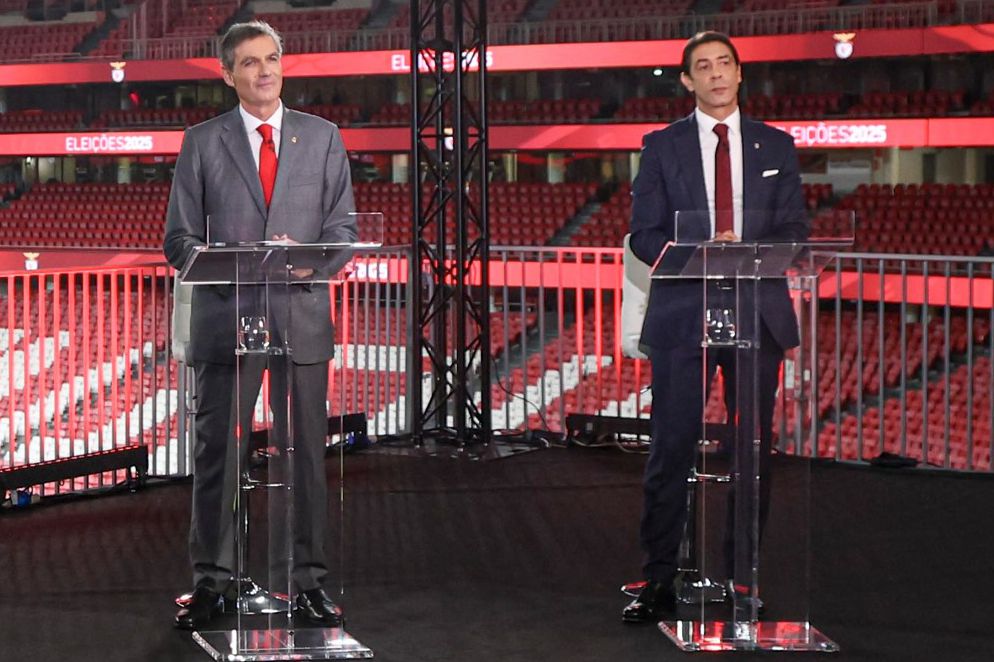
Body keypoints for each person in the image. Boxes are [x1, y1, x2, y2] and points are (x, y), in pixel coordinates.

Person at [164, 20, 357, 630]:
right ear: (228, 74)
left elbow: (344, 234)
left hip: (300, 318)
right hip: (229, 320)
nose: (264, 70)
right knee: (220, 455)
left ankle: (307, 584)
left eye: (271, 58)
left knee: (305, 458)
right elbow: (179, 241)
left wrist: (301, 253)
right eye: (249, 62)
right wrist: (239, 267)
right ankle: (213, 584)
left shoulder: (323, 138)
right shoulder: (201, 142)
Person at [623, 31, 808, 623]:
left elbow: (796, 232)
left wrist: (746, 248)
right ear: (687, 80)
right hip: (683, 313)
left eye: (724, 63)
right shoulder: (660, 146)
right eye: (702, 67)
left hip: (757, 312)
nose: (716, 74)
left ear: (739, 73)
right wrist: (701, 248)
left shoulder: (777, 145)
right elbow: (643, 234)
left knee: (752, 451)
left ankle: (742, 579)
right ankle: (657, 578)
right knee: (671, 448)